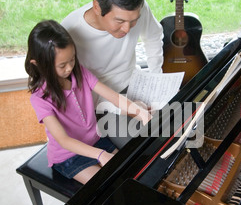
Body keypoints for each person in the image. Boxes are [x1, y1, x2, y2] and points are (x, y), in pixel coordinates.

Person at [25, 20, 151, 185]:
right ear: (39, 64)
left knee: (128, 173)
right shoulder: (39, 98)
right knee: (107, 187)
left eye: (72, 59)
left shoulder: (79, 72)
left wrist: (140, 112)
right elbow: (63, 140)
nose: (70, 68)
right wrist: (100, 155)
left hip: (95, 140)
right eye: (62, 65)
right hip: (68, 155)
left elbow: (113, 97)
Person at [61, 0, 164, 115]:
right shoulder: (70, 32)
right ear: (97, 7)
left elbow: (153, 36)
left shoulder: (137, 9)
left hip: (134, 84)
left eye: (134, 20)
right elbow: (75, 93)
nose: (127, 29)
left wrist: (156, 79)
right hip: (98, 101)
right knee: (145, 134)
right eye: (120, 21)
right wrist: (127, 108)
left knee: (178, 117)